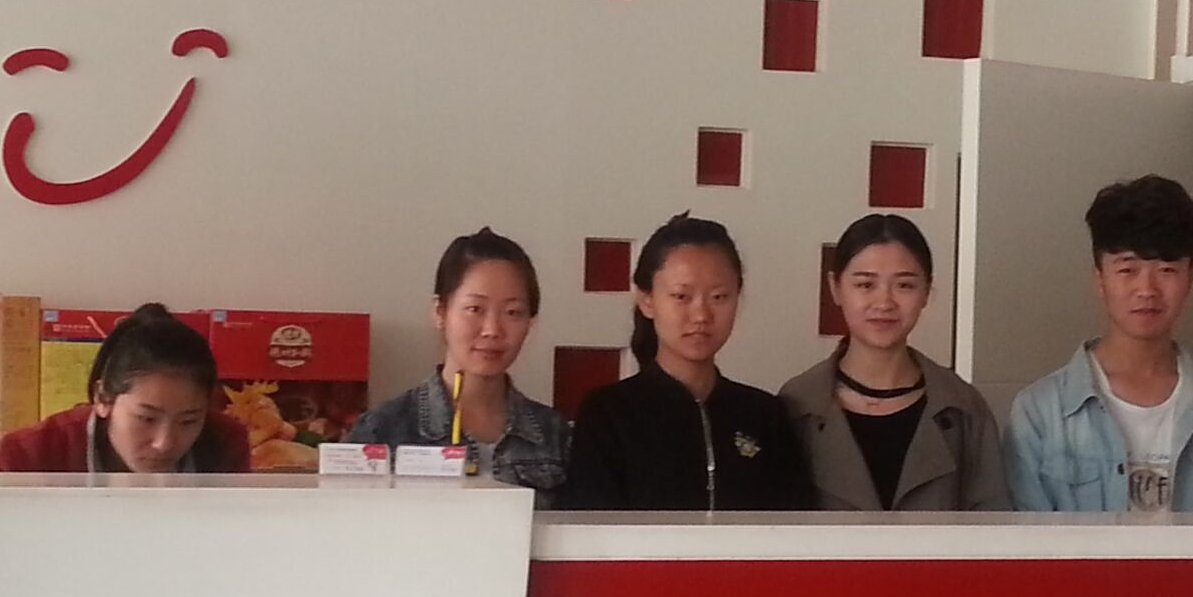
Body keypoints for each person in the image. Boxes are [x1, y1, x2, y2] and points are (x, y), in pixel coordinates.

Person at [1005, 175, 1193, 514]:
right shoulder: (1040, 412)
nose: (1147, 290)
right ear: (1100, 279)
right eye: (1127, 270)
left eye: (1167, 270)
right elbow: (1025, 540)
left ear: (1191, 278)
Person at [563, 213, 813, 510]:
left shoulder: (766, 415)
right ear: (647, 300)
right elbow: (594, 526)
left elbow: (793, 523)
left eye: (719, 297)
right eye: (681, 296)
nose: (701, 315)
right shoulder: (608, 414)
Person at [778, 215, 1006, 511]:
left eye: (904, 285)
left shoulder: (963, 407)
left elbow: (991, 523)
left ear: (926, 292)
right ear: (835, 288)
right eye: (865, 284)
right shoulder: (797, 405)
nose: (884, 303)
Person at [348, 229, 570, 492]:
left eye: (512, 312)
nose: (492, 330)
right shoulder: (382, 430)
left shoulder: (555, 435)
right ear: (440, 311)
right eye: (474, 309)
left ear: (530, 322)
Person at [0, 304, 250, 474]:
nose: (164, 443)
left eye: (189, 421)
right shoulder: (30, 453)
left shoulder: (224, 443)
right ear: (103, 398)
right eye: (147, 418)